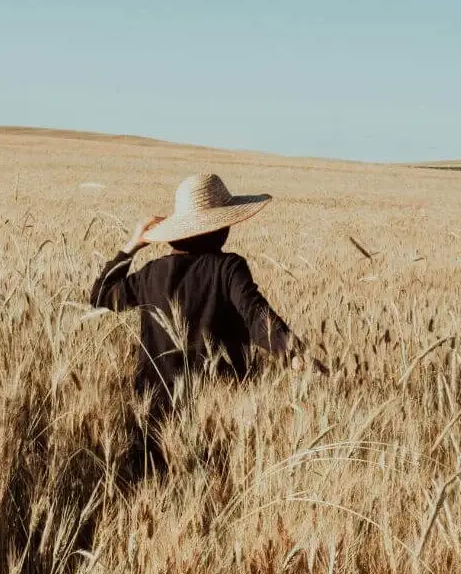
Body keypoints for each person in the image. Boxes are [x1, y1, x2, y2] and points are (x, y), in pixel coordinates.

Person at [90, 173, 316, 475]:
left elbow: (102, 295)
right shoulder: (228, 267)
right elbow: (255, 314)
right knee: (210, 486)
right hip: (215, 407)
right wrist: (292, 352)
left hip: (153, 404)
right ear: (220, 228)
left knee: (149, 484)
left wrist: (133, 244)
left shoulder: (152, 273)